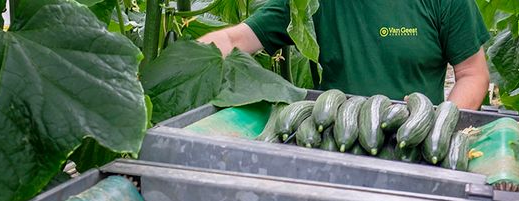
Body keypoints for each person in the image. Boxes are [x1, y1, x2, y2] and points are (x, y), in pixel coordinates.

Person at [198, 0, 491, 110]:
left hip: (416, 150)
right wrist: (188, 61)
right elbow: (234, 39)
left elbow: (472, 74)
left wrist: (437, 126)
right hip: (337, 142)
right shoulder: (309, 3)